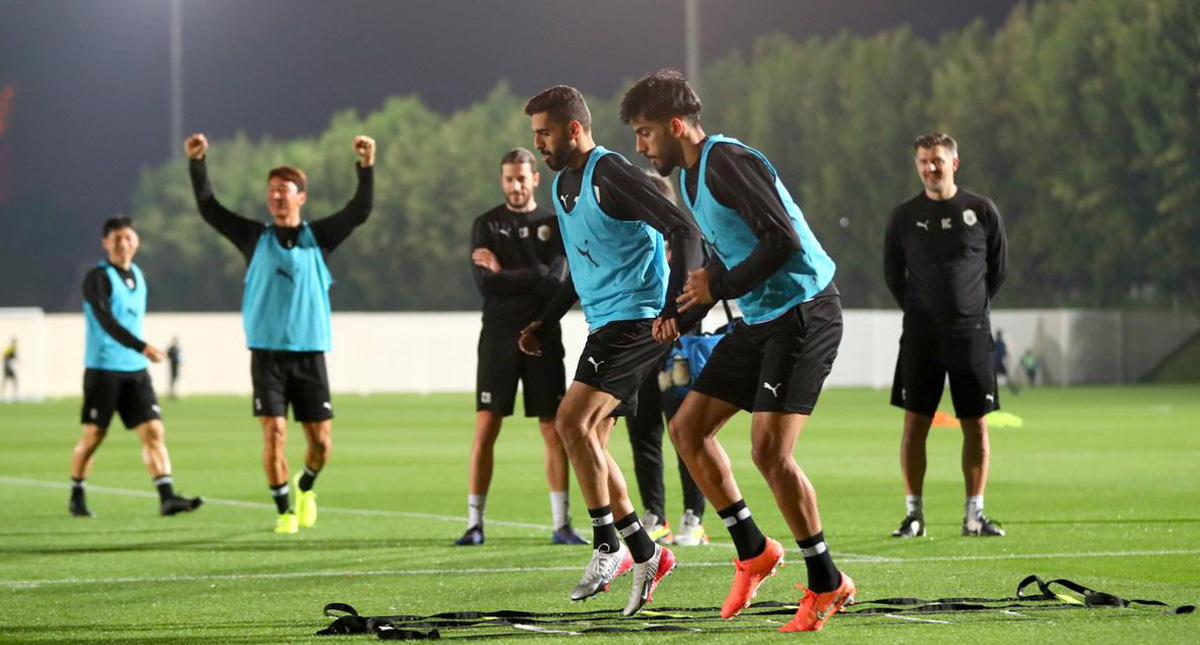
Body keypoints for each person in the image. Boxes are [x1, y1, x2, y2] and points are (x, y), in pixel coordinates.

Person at [620, 69, 855, 632]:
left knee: (769, 452)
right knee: (688, 429)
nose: (640, 145)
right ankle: (754, 551)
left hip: (804, 313)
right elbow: (727, 262)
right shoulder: (692, 179)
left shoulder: (725, 161)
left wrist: (716, 289)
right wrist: (680, 317)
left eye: (646, 132)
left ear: (676, 126)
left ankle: (827, 583)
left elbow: (783, 240)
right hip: (762, 320)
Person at [518, 85, 703, 616]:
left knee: (570, 421)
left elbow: (681, 226)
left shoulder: (612, 172)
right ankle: (646, 554)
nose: (540, 145)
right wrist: (545, 322)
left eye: (545, 133)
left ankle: (607, 545)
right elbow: (579, 266)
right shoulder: (562, 186)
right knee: (592, 442)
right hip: (605, 325)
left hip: (637, 321)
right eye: (535, 135)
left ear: (573, 129)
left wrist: (673, 309)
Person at [185, 131, 374, 534]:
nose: (275, 197)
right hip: (267, 355)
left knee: (320, 443)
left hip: (310, 353)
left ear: (300, 197)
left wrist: (366, 166)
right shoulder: (255, 238)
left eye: (283, 191)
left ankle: (305, 487)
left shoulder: (317, 239)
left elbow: (358, 211)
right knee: (274, 433)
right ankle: (284, 510)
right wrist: (197, 163)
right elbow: (209, 209)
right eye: (271, 191)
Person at [458, 147, 586, 547]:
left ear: (535, 179)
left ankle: (561, 524)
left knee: (552, 428)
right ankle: (475, 524)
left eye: (521, 178)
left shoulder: (554, 222)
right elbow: (485, 285)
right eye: (508, 178)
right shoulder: (486, 225)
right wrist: (533, 275)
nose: (515, 185)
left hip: (543, 334)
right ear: (502, 180)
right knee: (486, 426)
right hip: (497, 335)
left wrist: (508, 273)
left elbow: (557, 283)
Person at [883, 132, 1008, 539]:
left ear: (954, 162)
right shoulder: (903, 217)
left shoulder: (981, 211)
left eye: (936, 160)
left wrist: (968, 306)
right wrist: (923, 310)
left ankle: (975, 515)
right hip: (921, 335)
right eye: (923, 161)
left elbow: (997, 271)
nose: (929, 168)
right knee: (914, 425)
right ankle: (913, 516)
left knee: (976, 425)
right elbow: (893, 275)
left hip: (970, 334)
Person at [69, 217, 204, 518]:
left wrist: (139, 353)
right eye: (117, 238)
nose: (123, 243)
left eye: (128, 238)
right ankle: (77, 493)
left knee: (154, 430)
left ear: (137, 242)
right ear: (105, 243)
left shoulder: (138, 276)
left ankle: (167, 497)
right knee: (94, 436)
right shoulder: (97, 278)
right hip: (104, 369)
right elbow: (106, 322)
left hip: (135, 370)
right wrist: (142, 346)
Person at [624, 172, 708, 547]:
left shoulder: (687, 243)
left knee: (686, 435)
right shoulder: (635, 241)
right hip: (641, 351)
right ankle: (655, 516)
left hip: (679, 353)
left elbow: (702, 295)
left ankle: (694, 516)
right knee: (643, 435)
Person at [2, 337, 16, 401]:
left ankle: (14, 396)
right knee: (6, 381)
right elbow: (4, 357)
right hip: (7, 367)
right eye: (14, 342)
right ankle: (3, 396)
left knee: (13, 380)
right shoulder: (9, 349)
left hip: (8, 367)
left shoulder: (13, 350)